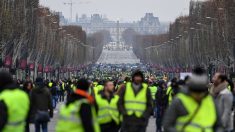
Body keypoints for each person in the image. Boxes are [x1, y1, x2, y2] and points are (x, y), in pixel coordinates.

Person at [163, 67, 223, 132]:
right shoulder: (179, 101)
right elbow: (167, 125)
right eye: (195, 91)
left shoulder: (212, 102)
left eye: (201, 91)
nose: (198, 94)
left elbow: (219, 125)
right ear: (190, 87)